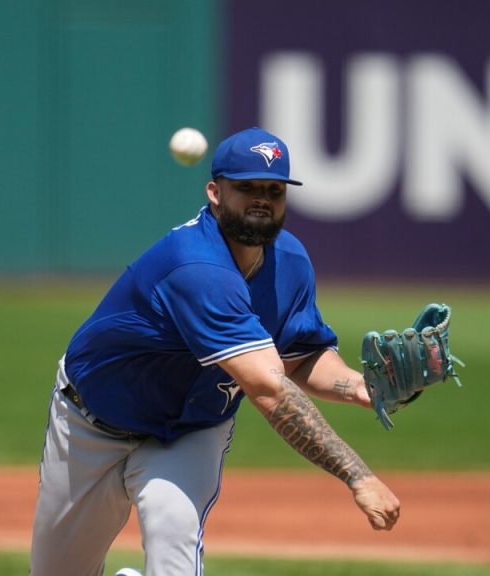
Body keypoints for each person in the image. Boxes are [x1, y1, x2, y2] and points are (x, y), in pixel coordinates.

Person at [29, 127, 400, 576]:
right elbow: (268, 386)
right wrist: (357, 475)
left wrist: (361, 387)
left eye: (273, 189)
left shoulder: (291, 262)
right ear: (215, 192)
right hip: (93, 421)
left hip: (192, 429)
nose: (261, 199)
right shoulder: (196, 265)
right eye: (246, 188)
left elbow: (299, 357)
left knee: (175, 550)